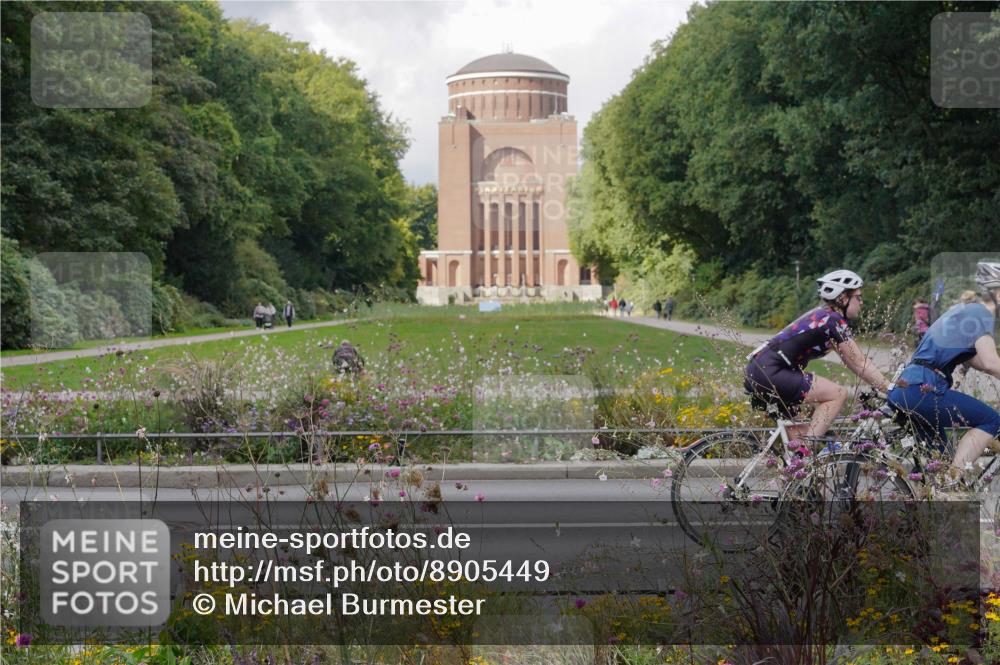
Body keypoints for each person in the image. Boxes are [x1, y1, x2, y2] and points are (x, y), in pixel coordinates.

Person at [744, 269, 891, 445]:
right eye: (858, 297)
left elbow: (852, 361)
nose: (861, 301)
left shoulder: (824, 316)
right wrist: (891, 390)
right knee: (837, 394)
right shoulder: (832, 320)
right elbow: (859, 362)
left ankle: (799, 464)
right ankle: (809, 453)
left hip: (760, 370)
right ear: (843, 298)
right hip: (771, 371)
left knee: (799, 438)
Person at [888, 261, 1000, 483]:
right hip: (923, 389)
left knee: (937, 464)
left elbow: (978, 361)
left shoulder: (964, 311)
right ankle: (954, 483)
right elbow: (990, 362)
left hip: (907, 387)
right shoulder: (980, 314)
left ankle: (935, 499)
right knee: (991, 420)